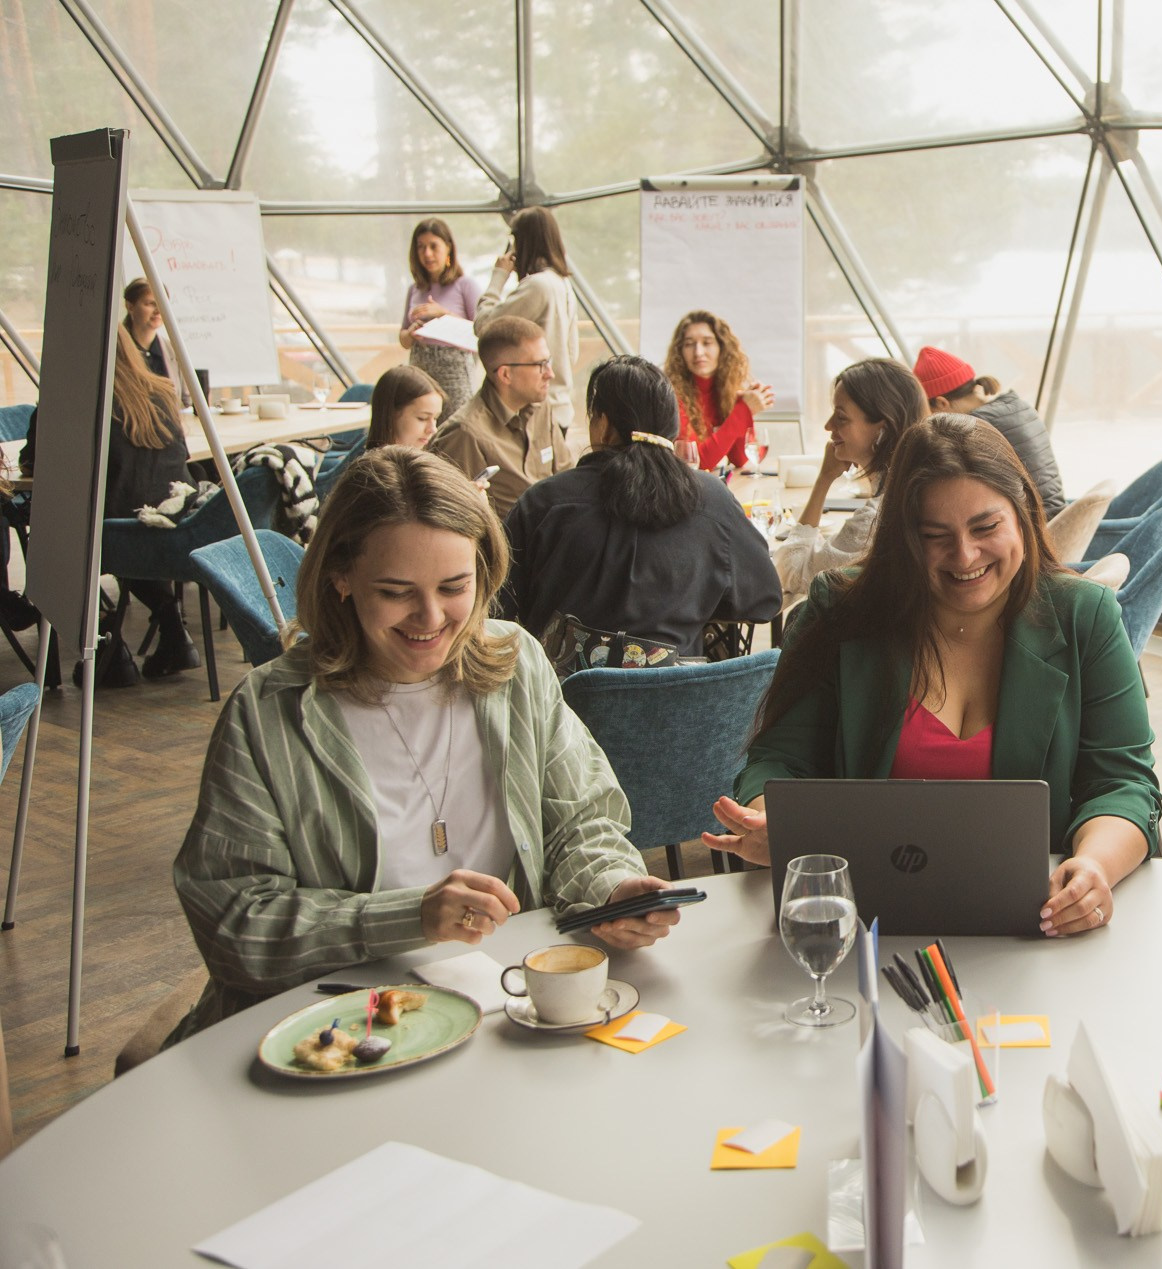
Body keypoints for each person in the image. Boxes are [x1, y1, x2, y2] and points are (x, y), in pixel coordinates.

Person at [171, 446, 681, 1038]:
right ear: (340, 576)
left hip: (508, 1009)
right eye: (395, 591)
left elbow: (582, 824)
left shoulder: (515, 666)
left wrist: (610, 889)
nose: (431, 617)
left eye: (454, 586)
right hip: (334, 1028)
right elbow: (233, 921)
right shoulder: (268, 714)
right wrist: (408, 918)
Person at [707, 415, 1161, 937]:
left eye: (986, 528)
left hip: (1039, 926)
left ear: (1023, 516)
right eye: (934, 536)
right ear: (902, 539)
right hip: (860, 926)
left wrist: (1096, 866)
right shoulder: (840, 611)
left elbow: (1123, 781)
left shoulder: (1085, 616)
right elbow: (779, 760)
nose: (965, 556)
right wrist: (776, 821)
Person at [499, 355, 781, 658]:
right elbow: (763, 601)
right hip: (681, 700)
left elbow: (499, 606)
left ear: (604, 425)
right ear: (671, 425)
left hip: (562, 700)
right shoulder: (712, 498)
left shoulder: (543, 503)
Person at [24, 327, 201, 685]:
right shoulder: (162, 391)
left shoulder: (74, 398)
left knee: (51, 531)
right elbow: (183, 453)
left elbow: (35, 461)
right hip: (174, 528)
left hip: (115, 533)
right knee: (122, 518)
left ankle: (108, 641)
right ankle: (169, 631)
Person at [771, 358, 927, 606]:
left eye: (841, 418)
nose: (827, 425)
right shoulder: (913, 487)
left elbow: (791, 572)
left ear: (882, 428)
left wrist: (823, 480)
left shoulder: (878, 517)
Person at [428, 316, 575, 518]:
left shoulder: (541, 407)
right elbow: (453, 519)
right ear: (505, 374)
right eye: (540, 364)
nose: (550, 373)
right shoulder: (466, 434)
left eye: (548, 361)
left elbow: (567, 475)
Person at [914, 345, 1066, 514]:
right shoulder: (1016, 405)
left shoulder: (975, 428)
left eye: (930, 413)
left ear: (942, 403)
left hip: (1034, 524)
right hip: (1055, 515)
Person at [475, 206, 581, 441]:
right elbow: (572, 352)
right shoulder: (562, 284)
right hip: (560, 407)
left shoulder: (537, 286)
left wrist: (499, 276)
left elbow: (483, 326)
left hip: (538, 410)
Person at [664, 310, 775, 472]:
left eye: (707, 343)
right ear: (680, 352)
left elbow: (739, 458)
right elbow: (697, 462)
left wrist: (741, 406)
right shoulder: (672, 395)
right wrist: (744, 410)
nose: (698, 352)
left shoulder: (725, 391)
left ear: (721, 348)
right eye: (689, 344)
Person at [398, 218, 480, 419]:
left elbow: (481, 332)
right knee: (423, 436)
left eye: (434, 246)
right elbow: (403, 338)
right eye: (421, 247)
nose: (427, 254)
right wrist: (410, 334)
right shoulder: (414, 289)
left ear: (448, 248)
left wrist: (443, 314)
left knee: (456, 433)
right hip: (420, 372)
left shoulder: (465, 285)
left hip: (455, 375)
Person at [364, 365, 445, 451]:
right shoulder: (371, 463)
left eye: (435, 418)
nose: (433, 429)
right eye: (422, 418)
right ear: (391, 414)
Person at [122, 277, 173, 381]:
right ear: (130, 306)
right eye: (150, 304)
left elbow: (184, 395)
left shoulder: (172, 350)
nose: (158, 311)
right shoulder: (117, 347)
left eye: (163, 304)